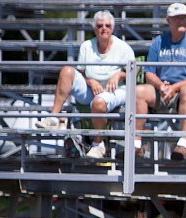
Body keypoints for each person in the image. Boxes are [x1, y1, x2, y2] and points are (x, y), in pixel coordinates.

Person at [35, 10, 134, 159]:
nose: (103, 29)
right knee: (67, 71)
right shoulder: (86, 46)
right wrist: (90, 81)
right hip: (91, 90)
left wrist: (119, 74)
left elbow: (135, 73)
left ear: (112, 28)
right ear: (94, 28)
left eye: (107, 25)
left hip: (115, 90)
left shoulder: (123, 47)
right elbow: (81, 72)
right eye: (100, 25)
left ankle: (98, 144)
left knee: (99, 102)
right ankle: (54, 117)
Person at [134, 3, 186, 161]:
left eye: (184, 18)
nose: (181, 21)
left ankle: (183, 143)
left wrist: (174, 88)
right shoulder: (158, 42)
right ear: (168, 21)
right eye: (177, 18)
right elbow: (149, 73)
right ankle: (136, 145)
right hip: (165, 90)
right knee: (139, 91)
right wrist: (161, 86)